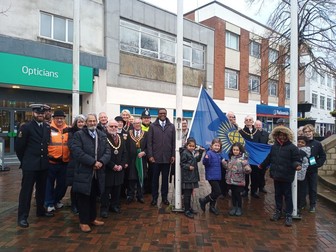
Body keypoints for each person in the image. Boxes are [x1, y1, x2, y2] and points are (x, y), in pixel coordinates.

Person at [71, 114, 111, 233]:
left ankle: (92, 218)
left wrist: (101, 162)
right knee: (83, 197)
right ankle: (83, 222)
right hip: (84, 172)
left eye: (94, 121)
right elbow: (77, 151)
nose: (92, 123)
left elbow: (108, 151)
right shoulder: (79, 135)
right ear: (86, 122)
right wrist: (92, 162)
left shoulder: (102, 135)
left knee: (94, 196)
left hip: (98, 172)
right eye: (90, 121)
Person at [16, 104, 54, 228]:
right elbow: (19, 148)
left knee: (41, 190)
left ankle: (40, 211)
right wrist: (25, 161)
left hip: (43, 165)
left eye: (42, 114)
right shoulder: (26, 127)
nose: (40, 115)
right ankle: (22, 217)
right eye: (38, 113)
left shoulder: (47, 127)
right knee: (26, 192)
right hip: (30, 165)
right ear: (33, 113)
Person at [259, 126, 302, 227]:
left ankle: (288, 215)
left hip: (287, 176)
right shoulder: (274, 147)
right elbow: (269, 158)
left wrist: (297, 165)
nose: (282, 137)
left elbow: (296, 159)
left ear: (287, 136)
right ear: (277, 136)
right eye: (280, 135)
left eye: (284, 135)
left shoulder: (292, 148)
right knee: (277, 194)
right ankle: (278, 212)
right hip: (276, 175)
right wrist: (262, 165)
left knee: (287, 196)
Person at [147, 108, 176, 206]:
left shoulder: (171, 127)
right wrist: (150, 155)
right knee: (154, 180)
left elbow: (173, 142)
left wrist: (173, 155)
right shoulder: (152, 126)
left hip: (167, 158)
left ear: (166, 114)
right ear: (158, 114)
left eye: (164, 113)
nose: (162, 114)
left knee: (165, 180)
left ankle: (164, 198)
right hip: (155, 158)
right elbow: (149, 142)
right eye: (160, 113)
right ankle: (154, 198)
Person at [100, 119, 127, 218]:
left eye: (115, 126)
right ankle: (104, 209)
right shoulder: (103, 138)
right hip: (108, 169)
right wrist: (112, 165)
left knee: (117, 189)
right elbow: (102, 154)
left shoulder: (120, 138)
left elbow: (124, 153)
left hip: (119, 169)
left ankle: (114, 206)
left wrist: (121, 165)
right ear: (107, 127)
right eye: (111, 126)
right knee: (106, 191)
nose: (113, 128)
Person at [45, 110, 70, 213]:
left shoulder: (68, 129)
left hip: (65, 162)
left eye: (61, 118)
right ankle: (49, 203)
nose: (59, 120)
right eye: (57, 118)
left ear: (64, 118)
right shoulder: (48, 129)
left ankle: (56, 200)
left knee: (63, 184)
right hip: (51, 162)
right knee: (49, 184)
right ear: (53, 119)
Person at [302, 124, 326, 213]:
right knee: (303, 188)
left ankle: (312, 205)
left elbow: (322, 156)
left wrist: (317, 164)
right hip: (302, 170)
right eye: (305, 132)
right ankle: (302, 203)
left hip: (312, 170)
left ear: (312, 132)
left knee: (312, 188)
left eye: (309, 131)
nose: (307, 133)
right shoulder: (301, 142)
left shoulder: (317, 144)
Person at [223, 143, 251, 216]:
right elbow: (228, 167)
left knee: (238, 194)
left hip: (239, 180)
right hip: (231, 180)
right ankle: (234, 206)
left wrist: (247, 169)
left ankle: (239, 207)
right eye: (234, 150)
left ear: (240, 150)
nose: (235, 151)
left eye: (237, 150)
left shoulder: (243, 159)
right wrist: (224, 163)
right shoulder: (231, 158)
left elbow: (247, 167)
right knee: (233, 194)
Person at [180, 138, 204, 218]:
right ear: (187, 145)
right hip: (187, 177)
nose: (191, 147)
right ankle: (186, 210)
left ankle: (189, 208)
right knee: (187, 194)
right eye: (190, 146)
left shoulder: (192, 153)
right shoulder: (185, 153)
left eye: (193, 146)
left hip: (192, 176)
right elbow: (182, 163)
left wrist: (200, 153)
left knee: (190, 193)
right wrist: (188, 167)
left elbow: (196, 160)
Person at [199, 138, 224, 215]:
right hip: (211, 176)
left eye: (218, 146)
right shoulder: (209, 153)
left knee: (214, 191)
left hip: (217, 176)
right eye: (215, 145)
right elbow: (205, 162)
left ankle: (212, 207)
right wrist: (206, 159)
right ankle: (204, 200)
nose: (217, 147)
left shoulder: (218, 155)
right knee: (218, 192)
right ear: (212, 146)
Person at [67, 114, 86, 214]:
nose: (81, 123)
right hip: (75, 162)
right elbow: (72, 147)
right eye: (79, 122)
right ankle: (74, 205)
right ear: (76, 123)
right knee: (75, 185)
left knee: (83, 184)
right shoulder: (71, 133)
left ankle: (82, 204)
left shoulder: (88, 132)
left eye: (82, 121)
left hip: (85, 162)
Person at [239, 115, 261, 198]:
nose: (248, 121)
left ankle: (254, 191)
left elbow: (260, 145)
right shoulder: (241, 132)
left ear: (253, 122)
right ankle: (245, 190)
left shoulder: (257, 132)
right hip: (245, 157)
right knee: (245, 174)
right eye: (246, 120)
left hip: (255, 157)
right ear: (244, 122)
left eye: (250, 120)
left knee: (255, 175)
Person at [126, 118, 147, 204]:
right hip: (131, 160)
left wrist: (144, 152)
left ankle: (140, 195)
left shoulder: (146, 134)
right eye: (135, 123)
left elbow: (149, 146)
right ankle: (130, 195)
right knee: (131, 178)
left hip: (141, 160)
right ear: (133, 124)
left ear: (141, 124)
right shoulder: (128, 133)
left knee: (140, 177)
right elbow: (126, 147)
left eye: (139, 123)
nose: (137, 125)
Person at [296, 136, 311, 213]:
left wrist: (314, 166)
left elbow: (311, 159)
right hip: (295, 173)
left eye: (302, 142)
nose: (300, 143)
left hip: (303, 173)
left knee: (301, 191)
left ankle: (300, 205)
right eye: (299, 142)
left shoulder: (306, 151)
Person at [255, 120, 270, 194]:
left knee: (262, 173)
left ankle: (261, 187)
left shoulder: (267, 134)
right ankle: (254, 188)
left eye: (259, 125)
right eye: (256, 125)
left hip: (263, 157)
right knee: (255, 174)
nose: (258, 126)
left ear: (261, 126)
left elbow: (268, 144)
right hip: (254, 157)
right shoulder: (252, 134)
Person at [140, 109, 152, 194]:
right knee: (143, 171)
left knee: (151, 171)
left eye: (148, 118)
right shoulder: (138, 127)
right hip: (142, 153)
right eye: (144, 118)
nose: (146, 119)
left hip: (151, 153)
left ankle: (150, 188)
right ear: (141, 119)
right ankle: (142, 189)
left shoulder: (153, 127)